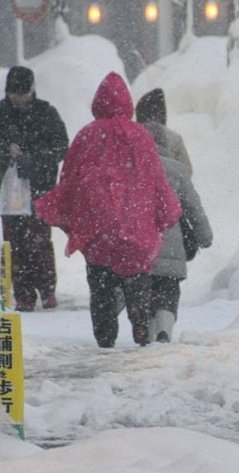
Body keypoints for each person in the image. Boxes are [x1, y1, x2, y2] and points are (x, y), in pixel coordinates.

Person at [35, 72, 182, 348]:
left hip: (97, 227)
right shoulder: (141, 137)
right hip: (136, 227)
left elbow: (70, 179)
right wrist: (165, 212)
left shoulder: (87, 135)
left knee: (100, 285)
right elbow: (156, 181)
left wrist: (64, 209)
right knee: (136, 277)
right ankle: (139, 316)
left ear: (98, 102)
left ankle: (104, 333)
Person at [0, 66, 69, 311]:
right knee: (14, 241)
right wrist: (6, 150)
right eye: (13, 94)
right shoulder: (1, 113)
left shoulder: (46, 113)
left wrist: (36, 158)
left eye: (22, 93)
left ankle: (47, 288)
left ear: (32, 91)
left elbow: (61, 146)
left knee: (40, 240)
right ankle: (23, 293)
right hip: (10, 189)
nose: (17, 99)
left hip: (40, 187)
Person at [147, 143, 212, 343]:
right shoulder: (176, 169)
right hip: (171, 240)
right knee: (168, 287)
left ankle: (149, 332)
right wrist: (204, 236)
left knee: (143, 288)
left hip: (140, 242)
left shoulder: (131, 165)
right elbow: (193, 207)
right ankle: (164, 329)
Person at [135, 88, 192, 176]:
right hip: (171, 185)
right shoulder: (174, 139)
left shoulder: (131, 138)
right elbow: (187, 171)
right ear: (162, 114)